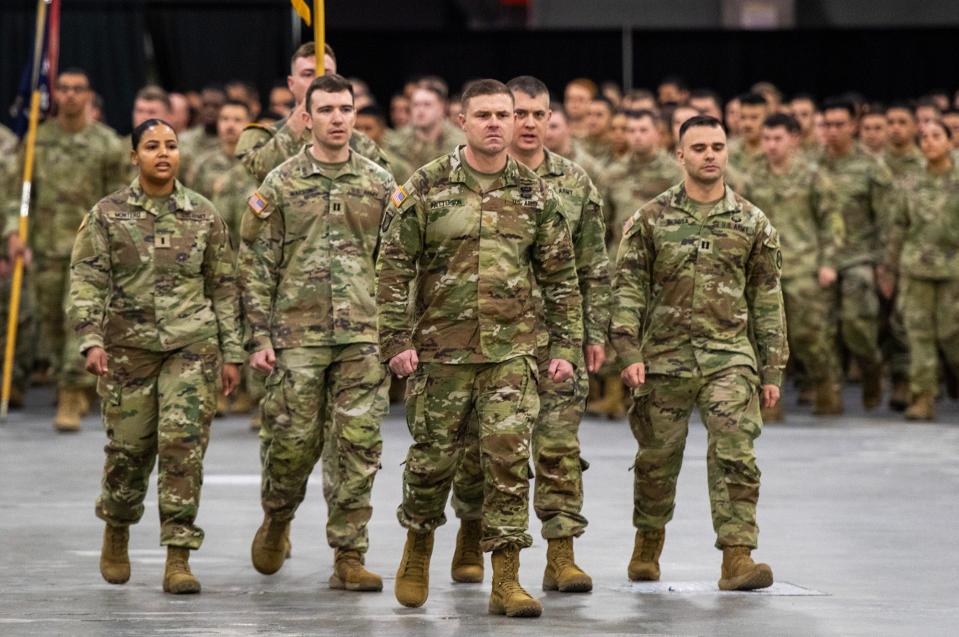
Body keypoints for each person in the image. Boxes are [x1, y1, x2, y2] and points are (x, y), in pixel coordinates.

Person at [377, 79, 583, 618]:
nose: (497, 123)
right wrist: (395, 340)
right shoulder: (426, 186)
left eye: (506, 114)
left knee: (509, 462)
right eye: (485, 114)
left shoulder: (536, 194)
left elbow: (561, 276)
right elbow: (394, 267)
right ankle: (418, 545)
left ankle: (507, 579)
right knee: (432, 462)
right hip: (441, 356)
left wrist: (564, 344)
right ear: (461, 120)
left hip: (512, 355)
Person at [66, 118, 243, 594]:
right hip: (128, 349)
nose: (162, 153)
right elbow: (87, 279)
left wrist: (232, 353)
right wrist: (91, 338)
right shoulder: (107, 214)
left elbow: (224, 288)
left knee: (182, 446)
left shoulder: (202, 214)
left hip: (192, 345)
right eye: (151, 146)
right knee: (129, 450)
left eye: (170, 145)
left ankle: (179, 556)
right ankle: (117, 527)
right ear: (134, 156)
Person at [448, 75, 610, 594]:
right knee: (483, 449)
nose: (529, 124)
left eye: (540, 115)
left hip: (556, 341)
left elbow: (592, 266)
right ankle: (472, 534)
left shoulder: (574, 183)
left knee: (559, 447)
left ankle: (561, 553)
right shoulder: (483, 180)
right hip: (491, 341)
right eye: (520, 114)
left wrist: (592, 332)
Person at [610, 115, 786, 592]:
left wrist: (772, 368)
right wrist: (627, 349)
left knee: (736, 451)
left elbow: (767, 299)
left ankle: (737, 555)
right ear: (680, 155)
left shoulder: (751, 221)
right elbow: (627, 288)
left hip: (729, 356)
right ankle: (648, 541)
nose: (711, 154)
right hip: (664, 357)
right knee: (656, 458)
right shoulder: (651, 218)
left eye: (718, 146)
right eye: (700, 147)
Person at [239, 74, 393, 591]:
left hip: (362, 337)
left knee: (357, 443)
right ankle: (278, 516)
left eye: (345, 108)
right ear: (305, 117)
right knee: (291, 443)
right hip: (296, 337)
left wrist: (399, 334)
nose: (336, 118)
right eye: (325, 109)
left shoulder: (378, 183)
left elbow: (399, 264)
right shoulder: (279, 183)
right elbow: (256, 264)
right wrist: (258, 338)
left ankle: (348, 554)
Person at [5, 68, 126, 430]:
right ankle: (70, 380)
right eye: (65, 89)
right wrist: (14, 232)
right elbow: (20, 196)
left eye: (78, 90)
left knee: (78, 319)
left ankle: (72, 392)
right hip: (45, 247)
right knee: (50, 322)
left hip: (88, 250)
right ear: (55, 94)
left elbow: (118, 200)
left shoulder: (107, 143)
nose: (71, 95)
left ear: (89, 96)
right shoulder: (36, 142)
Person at [741, 113, 844, 417]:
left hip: (804, 267)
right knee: (763, 335)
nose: (771, 145)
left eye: (778, 139)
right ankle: (770, 399)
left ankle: (825, 385)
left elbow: (832, 223)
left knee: (808, 334)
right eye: (767, 139)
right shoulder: (752, 177)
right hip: (763, 269)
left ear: (794, 139)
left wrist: (829, 263)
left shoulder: (813, 176)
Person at [818, 98, 900, 409]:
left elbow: (886, 220)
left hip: (859, 256)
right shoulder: (814, 164)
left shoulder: (870, 167)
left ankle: (870, 368)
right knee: (823, 329)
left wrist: (885, 265)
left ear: (853, 126)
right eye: (828, 125)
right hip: (821, 258)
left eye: (840, 124)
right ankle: (830, 391)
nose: (833, 131)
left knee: (856, 323)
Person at [879, 120, 959, 420]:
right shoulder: (910, 181)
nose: (928, 142)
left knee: (953, 335)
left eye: (936, 136)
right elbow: (898, 226)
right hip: (916, 268)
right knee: (919, 334)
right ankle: (923, 397)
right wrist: (889, 267)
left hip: (954, 269)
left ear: (951, 142)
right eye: (923, 136)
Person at [235, 42, 391, 182]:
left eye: (327, 74)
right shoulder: (261, 137)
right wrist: (295, 125)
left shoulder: (362, 143)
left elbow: (384, 192)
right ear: (291, 83)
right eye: (308, 74)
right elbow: (255, 177)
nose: (318, 81)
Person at [384, 79, 464, 170]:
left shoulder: (460, 143)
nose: (420, 110)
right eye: (416, 104)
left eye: (427, 104)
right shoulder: (396, 142)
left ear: (442, 107)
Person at [727, 93, 768, 178]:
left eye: (754, 117)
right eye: (743, 117)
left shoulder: (774, 152)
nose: (747, 124)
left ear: (767, 119)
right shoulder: (727, 151)